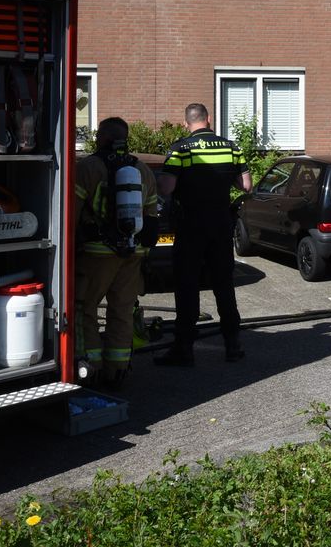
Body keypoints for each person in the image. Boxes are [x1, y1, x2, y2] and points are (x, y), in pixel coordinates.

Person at [155, 103, 252, 367]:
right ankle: (233, 345)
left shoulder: (181, 149)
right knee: (223, 283)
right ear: (209, 120)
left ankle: (184, 349)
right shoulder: (231, 148)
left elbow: (166, 187)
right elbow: (245, 185)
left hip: (191, 224)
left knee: (187, 285)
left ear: (186, 122)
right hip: (221, 224)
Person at [72, 117, 159, 389]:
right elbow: (152, 217)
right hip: (133, 254)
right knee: (121, 310)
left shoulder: (87, 168)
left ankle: (91, 368)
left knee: (83, 309)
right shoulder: (142, 169)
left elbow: (70, 215)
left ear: (100, 138)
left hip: (97, 254)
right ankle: (117, 370)